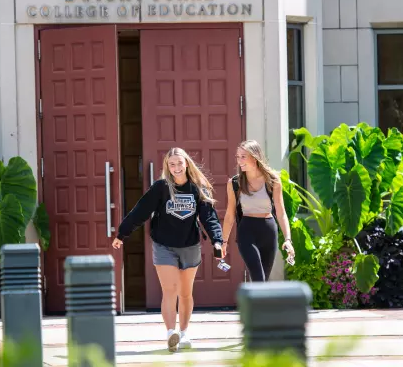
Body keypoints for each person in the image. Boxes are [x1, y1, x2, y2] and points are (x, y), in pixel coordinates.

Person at [112, 148, 224, 352]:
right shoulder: (161, 188)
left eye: (179, 163)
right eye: (172, 164)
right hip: (164, 245)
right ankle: (170, 332)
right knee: (170, 290)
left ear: (187, 164)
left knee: (186, 293)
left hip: (190, 245)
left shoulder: (198, 189)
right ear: (167, 167)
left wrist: (217, 240)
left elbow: (209, 217)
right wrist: (122, 233)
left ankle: (183, 333)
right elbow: (141, 211)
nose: (176, 168)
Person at [221, 140, 296, 282]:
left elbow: (281, 212)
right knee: (258, 278)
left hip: (269, 230)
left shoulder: (273, 180)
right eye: (238, 157)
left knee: (263, 281)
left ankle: (255, 304)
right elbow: (230, 214)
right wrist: (224, 241)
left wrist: (288, 239)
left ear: (255, 158)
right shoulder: (235, 183)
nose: (239, 160)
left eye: (243, 156)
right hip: (247, 231)